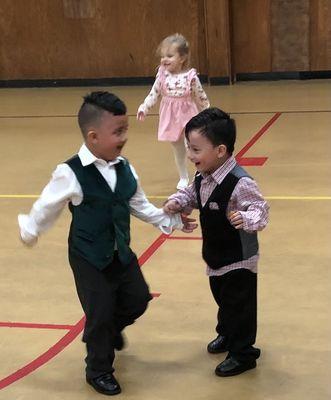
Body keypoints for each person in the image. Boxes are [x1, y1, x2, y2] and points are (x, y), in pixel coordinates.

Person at [18, 91, 197, 396]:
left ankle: (109, 330)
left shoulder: (125, 167)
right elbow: (47, 206)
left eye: (125, 129)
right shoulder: (70, 173)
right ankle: (98, 369)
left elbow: (139, 205)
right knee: (99, 312)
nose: (124, 137)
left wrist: (173, 221)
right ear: (93, 136)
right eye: (118, 132)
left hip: (120, 251)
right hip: (88, 256)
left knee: (138, 298)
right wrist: (31, 229)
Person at [163, 108, 269, 377]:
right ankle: (227, 334)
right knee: (223, 299)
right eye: (189, 147)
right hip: (216, 254)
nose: (190, 155)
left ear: (220, 151)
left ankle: (243, 352)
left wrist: (245, 217)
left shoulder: (239, 182)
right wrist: (179, 202)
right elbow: (192, 194)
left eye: (196, 149)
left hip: (239, 257)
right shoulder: (203, 175)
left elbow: (260, 209)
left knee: (239, 305)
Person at [137, 33, 210, 190]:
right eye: (163, 56)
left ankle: (201, 174)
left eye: (169, 56)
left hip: (188, 116)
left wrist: (208, 112)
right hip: (170, 117)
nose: (164, 59)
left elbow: (200, 95)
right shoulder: (162, 75)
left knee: (191, 145)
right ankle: (183, 176)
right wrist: (144, 106)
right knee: (178, 149)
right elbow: (154, 93)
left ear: (182, 58)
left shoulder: (190, 76)